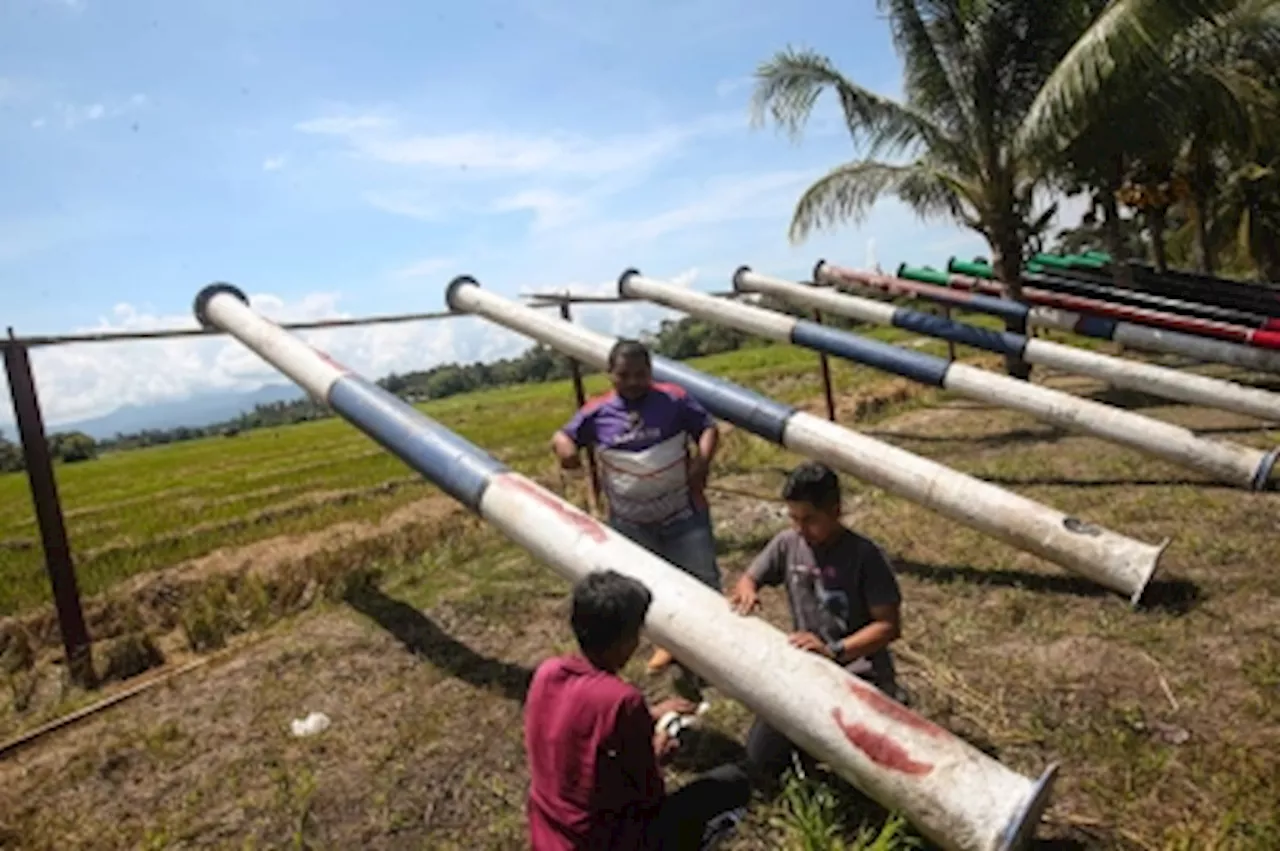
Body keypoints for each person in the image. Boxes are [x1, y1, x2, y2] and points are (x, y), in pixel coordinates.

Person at [524, 570, 751, 851]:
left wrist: (648, 715)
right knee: (733, 781)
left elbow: (581, 724)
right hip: (605, 841)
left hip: (548, 833)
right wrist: (658, 752)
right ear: (625, 640)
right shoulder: (622, 701)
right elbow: (648, 795)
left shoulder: (548, 672)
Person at [552, 339, 721, 676]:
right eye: (624, 375)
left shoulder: (674, 399)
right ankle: (668, 646)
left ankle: (716, 652)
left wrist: (702, 461)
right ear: (610, 374)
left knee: (703, 581)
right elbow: (563, 436)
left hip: (683, 513)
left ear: (651, 372)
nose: (633, 382)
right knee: (646, 589)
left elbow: (708, 428)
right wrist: (566, 451)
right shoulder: (597, 411)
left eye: (640, 374)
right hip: (630, 523)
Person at [728, 462, 903, 784]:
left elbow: (888, 626)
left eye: (810, 520)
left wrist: (835, 651)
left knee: (867, 771)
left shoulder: (866, 556)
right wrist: (748, 591)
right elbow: (748, 578)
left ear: (835, 511)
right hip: (808, 670)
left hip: (858, 673)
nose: (800, 528)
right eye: (793, 518)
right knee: (760, 760)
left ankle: (889, 706)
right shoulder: (787, 544)